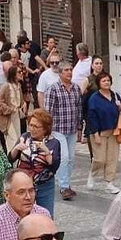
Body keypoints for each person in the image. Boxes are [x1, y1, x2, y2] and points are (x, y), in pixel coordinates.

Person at [41, 61, 82, 201]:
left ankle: (66, 183)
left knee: (71, 158)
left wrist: (79, 127)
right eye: (66, 70)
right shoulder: (53, 89)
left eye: (70, 69)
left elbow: (79, 109)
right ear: (60, 73)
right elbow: (48, 111)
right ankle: (64, 187)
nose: (69, 72)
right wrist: (47, 130)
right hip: (57, 129)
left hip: (71, 128)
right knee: (64, 157)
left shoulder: (76, 88)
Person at [10, 108, 62, 216]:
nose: (32, 129)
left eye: (36, 127)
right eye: (31, 125)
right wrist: (16, 148)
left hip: (44, 185)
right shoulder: (25, 137)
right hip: (24, 185)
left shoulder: (53, 143)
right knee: (23, 215)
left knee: (46, 216)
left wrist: (47, 152)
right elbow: (10, 159)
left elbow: (54, 166)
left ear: (45, 129)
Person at [84, 72, 121, 195]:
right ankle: (93, 174)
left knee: (112, 158)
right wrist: (95, 134)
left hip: (114, 131)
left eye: (108, 80)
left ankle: (109, 183)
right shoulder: (94, 98)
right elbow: (91, 116)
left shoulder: (115, 95)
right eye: (104, 81)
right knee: (100, 159)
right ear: (99, 83)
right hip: (99, 132)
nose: (107, 82)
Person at [0, 61, 27, 152]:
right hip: (8, 118)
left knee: (18, 138)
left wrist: (23, 104)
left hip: (17, 117)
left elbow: (20, 101)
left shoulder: (19, 86)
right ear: (13, 74)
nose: (21, 73)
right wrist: (10, 109)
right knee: (12, 140)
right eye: (19, 72)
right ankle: (11, 158)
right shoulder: (6, 86)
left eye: (21, 71)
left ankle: (16, 158)